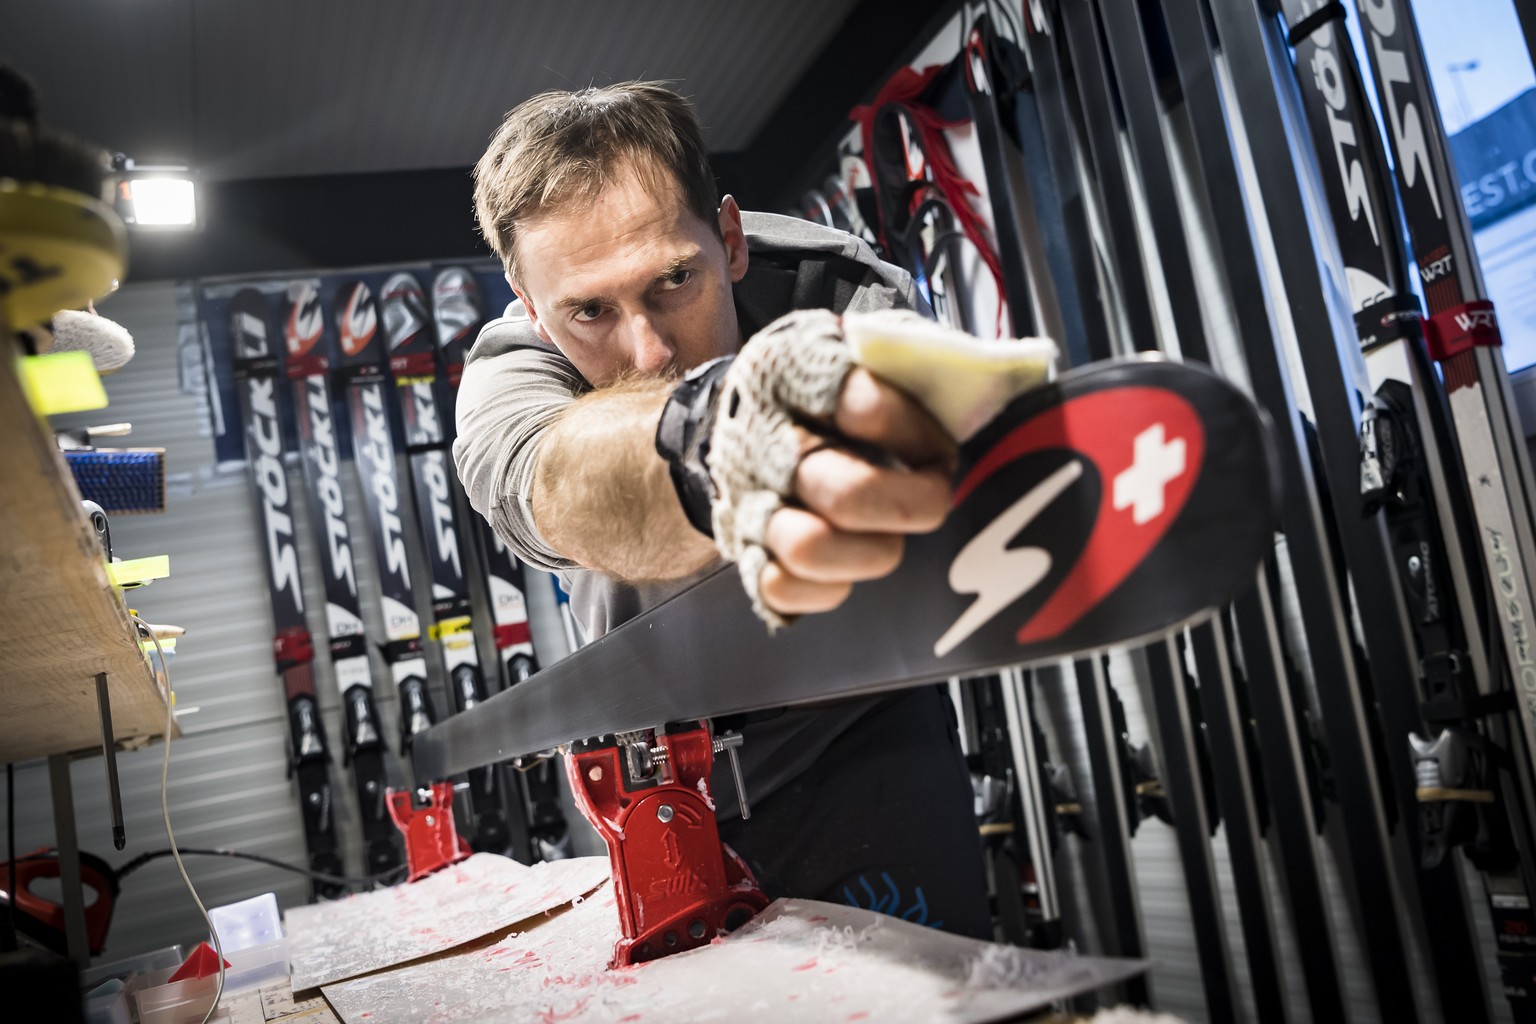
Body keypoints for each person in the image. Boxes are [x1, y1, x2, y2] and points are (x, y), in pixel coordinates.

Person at [454, 82, 990, 938]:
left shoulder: (841, 295)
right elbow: (542, 482)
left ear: (731, 239)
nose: (649, 349)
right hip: (654, 782)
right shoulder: (509, 371)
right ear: (530, 308)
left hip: (858, 739)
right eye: (590, 311)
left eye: (675, 280)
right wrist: (712, 434)